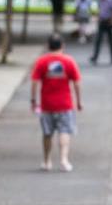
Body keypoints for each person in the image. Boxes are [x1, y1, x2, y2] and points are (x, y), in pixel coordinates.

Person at [30, 34, 82, 172]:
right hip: (65, 104)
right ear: (62, 46)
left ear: (48, 46)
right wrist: (79, 101)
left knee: (47, 133)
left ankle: (47, 161)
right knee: (64, 131)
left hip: (46, 105)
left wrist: (33, 101)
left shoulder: (42, 62)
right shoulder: (69, 61)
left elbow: (34, 82)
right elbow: (76, 83)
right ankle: (64, 160)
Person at [90, 0, 112, 65]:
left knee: (111, 41)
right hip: (102, 21)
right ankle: (95, 57)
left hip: (108, 21)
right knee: (98, 40)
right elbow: (100, 9)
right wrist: (98, 17)